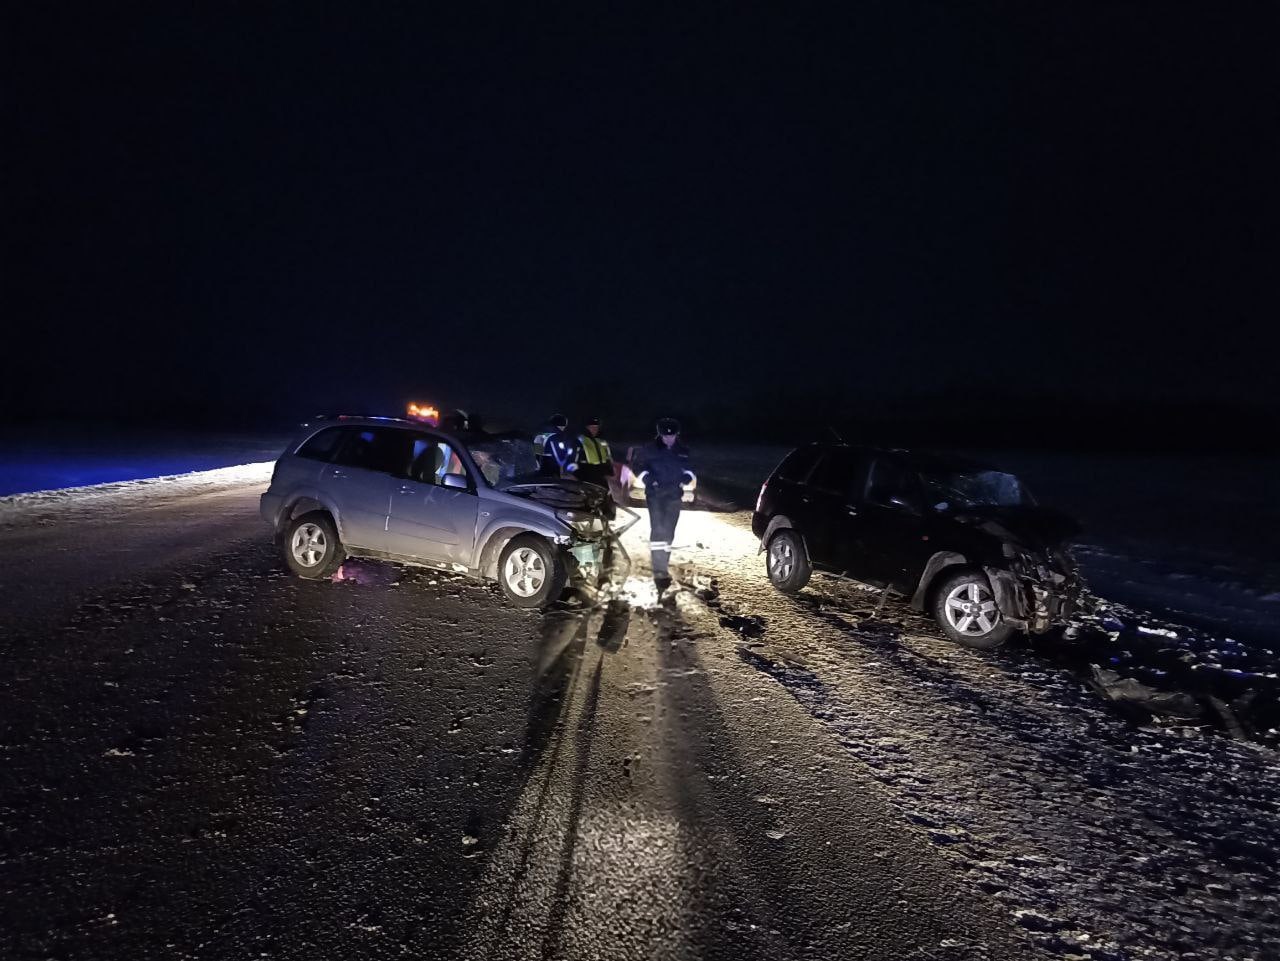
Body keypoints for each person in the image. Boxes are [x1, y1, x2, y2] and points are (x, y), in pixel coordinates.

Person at [634, 417, 695, 595]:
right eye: (665, 436)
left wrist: (686, 478)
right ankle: (659, 570)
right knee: (658, 530)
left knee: (669, 531)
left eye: (672, 436)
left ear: (677, 435)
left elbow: (690, 469)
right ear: (659, 434)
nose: (669, 439)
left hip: (674, 496)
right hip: (655, 496)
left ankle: (664, 563)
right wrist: (649, 479)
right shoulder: (649, 449)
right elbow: (639, 468)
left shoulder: (683, 450)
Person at [576, 416, 613, 489]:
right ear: (587, 427)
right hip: (587, 473)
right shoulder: (581, 440)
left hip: (602, 473)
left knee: (604, 494)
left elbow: (609, 457)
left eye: (596, 427)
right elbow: (573, 460)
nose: (594, 430)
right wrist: (578, 475)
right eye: (592, 427)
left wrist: (610, 472)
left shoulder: (602, 441)